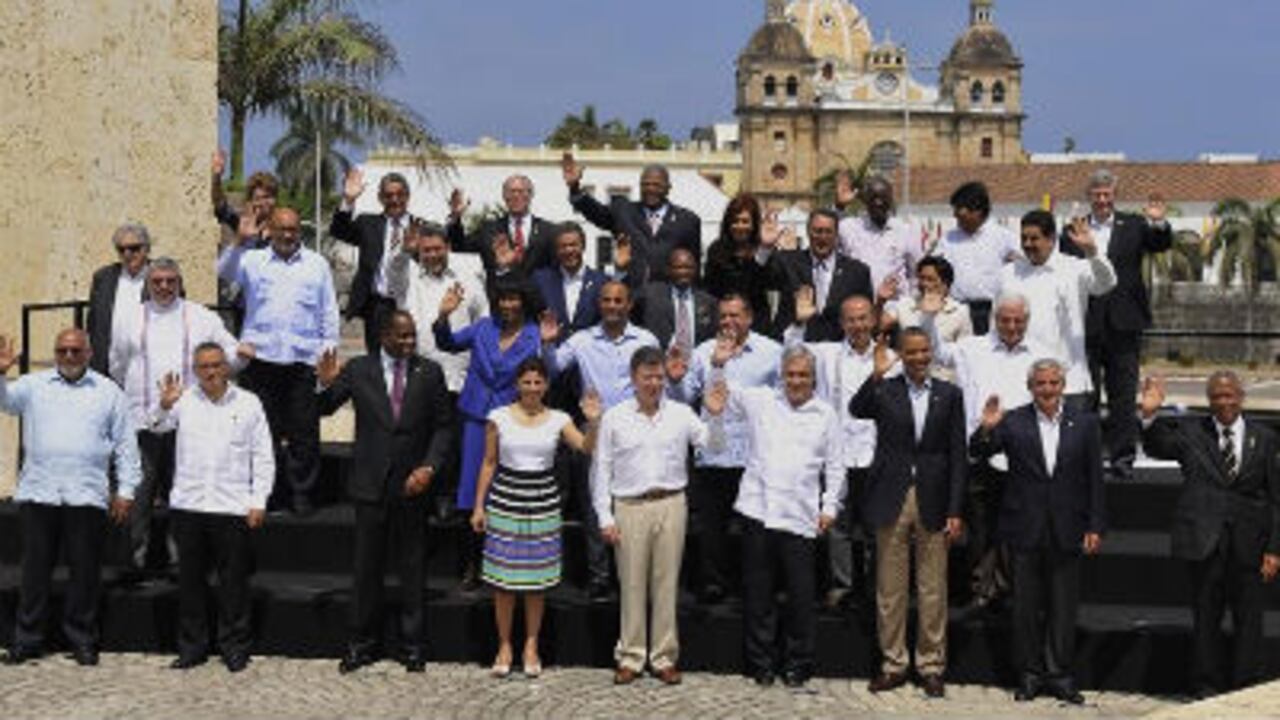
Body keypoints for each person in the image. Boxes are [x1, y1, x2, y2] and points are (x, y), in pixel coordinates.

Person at [315, 311, 455, 674]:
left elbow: (443, 428)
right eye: (402, 337)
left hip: (412, 485)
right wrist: (324, 384)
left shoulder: (430, 372)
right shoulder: (359, 369)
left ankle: (413, 646)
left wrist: (428, 467)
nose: (409, 343)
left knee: (412, 569)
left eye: (412, 336)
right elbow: (323, 408)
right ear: (384, 336)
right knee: (366, 570)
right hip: (369, 484)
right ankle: (361, 645)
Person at [706, 346, 844, 688]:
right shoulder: (761, 401)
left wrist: (830, 507)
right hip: (759, 511)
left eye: (803, 375)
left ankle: (798, 663)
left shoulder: (826, 414)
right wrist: (719, 365)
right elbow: (724, 393)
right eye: (791, 374)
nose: (796, 381)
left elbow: (836, 466)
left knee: (800, 596)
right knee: (759, 595)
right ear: (781, 375)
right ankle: (761, 663)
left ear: (813, 378)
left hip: (800, 516)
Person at [0, 329, 139, 666]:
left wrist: (126, 490)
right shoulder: (34, 385)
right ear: (55, 353)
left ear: (89, 353)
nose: (69, 356)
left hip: (86, 494)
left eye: (76, 351)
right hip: (40, 492)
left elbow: (126, 444)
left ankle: (82, 639)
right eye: (62, 350)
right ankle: (28, 639)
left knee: (84, 573)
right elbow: (4, 401)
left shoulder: (109, 392)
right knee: (34, 573)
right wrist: (1, 372)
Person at [970, 359, 1105, 705]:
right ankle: (1029, 674)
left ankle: (1059, 674)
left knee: (1064, 605)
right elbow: (980, 451)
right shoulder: (1013, 420)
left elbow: (1094, 479)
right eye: (1041, 383)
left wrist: (1095, 524)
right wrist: (985, 429)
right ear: (1030, 387)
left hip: (1068, 526)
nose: (1047, 389)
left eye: (1053, 383)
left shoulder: (1086, 423)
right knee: (1025, 608)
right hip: (1024, 527)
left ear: (1063, 386)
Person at [1139, 372, 1280, 698]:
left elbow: (1275, 499)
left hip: (1250, 544)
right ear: (1209, 399)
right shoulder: (1192, 433)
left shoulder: (1265, 437)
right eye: (1217, 396)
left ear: (1241, 397)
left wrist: (1274, 549)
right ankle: (1206, 688)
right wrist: (1149, 415)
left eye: (1230, 395)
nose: (1224, 402)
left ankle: (1246, 689)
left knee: (1249, 623)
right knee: (1206, 622)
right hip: (1205, 541)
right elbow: (1159, 445)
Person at [592, 346, 723, 686]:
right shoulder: (615, 416)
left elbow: (714, 446)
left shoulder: (680, 413)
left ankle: (664, 656)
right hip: (629, 505)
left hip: (670, 503)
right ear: (633, 379)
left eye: (658, 377)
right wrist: (604, 516)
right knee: (632, 583)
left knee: (667, 584)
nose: (654, 383)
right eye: (647, 377)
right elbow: (601, 469)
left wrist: (716, 416)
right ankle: (631, 656)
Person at [849, 328, 966, 698]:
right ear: (901, 354)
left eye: (924, 351)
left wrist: (955, 508)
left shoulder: (950, 395)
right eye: (911, 352)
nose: (918, 358)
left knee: (933, 588)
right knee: (890, 588)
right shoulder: (886, 389)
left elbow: (957, 456)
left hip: (933, 497)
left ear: (931, 352)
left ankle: (931, 665)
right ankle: (893, 664)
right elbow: (857, 408)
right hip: (891, 496)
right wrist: (877, 373)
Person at [470, 358, 601, 678]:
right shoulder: (497, 417)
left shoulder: (559, 419)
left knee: (535, 583)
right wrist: (478, 506)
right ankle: (504, 645)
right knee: (503, 583)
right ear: (518, 385)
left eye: (537, 382)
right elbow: (488, 462)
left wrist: (594, 422)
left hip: (543, 503)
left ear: (546, 385)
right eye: (526, 382)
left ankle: (531, 645)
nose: (531, 388)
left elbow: (585, 448)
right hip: (504, 501)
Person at [108, 258, 240, 574]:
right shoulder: (128, 317)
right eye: (158, 281)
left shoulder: (201, 316)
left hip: (188, 423)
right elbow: (117, 365)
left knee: (184, 495)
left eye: (171, 280)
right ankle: (132, 563)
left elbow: (230, 354)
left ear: (180, 282)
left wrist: (242, 356)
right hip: (141, 422)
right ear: (148, 285)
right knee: (138, 493)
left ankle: (184, 563)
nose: (164, 287)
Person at [154, 342, 274, 674]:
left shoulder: (249, 404)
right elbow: (157, 426)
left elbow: (263, 455)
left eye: (217, 365)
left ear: (227, 367)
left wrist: (258, 499)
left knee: (234, 583)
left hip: (232, 506)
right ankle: (192, 647)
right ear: (196, 370)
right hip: (189, 505)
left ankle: (234, 647)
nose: (211, 372)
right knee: (190, 582)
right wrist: (164, 406)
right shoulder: (184, 401)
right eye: (204, 366)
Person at [924, 292, 1048, 611]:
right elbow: (935, 352)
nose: (1011, 326)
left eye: (1018, 321)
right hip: (977, 450)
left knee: (1014, 527)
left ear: (1027, 321)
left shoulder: (1040, 353)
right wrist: (929, 317)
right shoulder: (971, 348)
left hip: (1021, 454)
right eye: (1005, 320)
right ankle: (980, 589)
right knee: (980, 526)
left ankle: (1008, 590)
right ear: (994, 319)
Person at [217, 207, 340, 515]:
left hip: (302, 362)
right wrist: (239, 242)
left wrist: (328, 354)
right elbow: (223, 272)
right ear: (269, 229)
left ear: (300, 231)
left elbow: (328, 312)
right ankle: (266, 494)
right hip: (261, 361)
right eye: (281, 228)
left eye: (293, 229)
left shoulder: (317, 265)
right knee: (262, 432)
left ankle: (301, 495)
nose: (287, 235)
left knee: (304, 434)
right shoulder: (252, 259)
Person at [542, 280, 659, 598]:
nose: (611, 306)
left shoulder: (646, 339)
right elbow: (552, 370)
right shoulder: (582, 340)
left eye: (618, 300)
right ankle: (599, 576)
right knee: (594, 504)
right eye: (606, 300)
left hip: (636, 428)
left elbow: (656, 382)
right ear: (599, 304)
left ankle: (631, 575)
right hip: (594, 427)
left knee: (632, 502)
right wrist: (548, 345)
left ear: (629, 304)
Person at [666, 294, 781, 604]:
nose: (728, 322)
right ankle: (714, 584)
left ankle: (753, 586)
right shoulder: (704, 352)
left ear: (749, 318)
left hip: (754, 454)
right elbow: (683, 398)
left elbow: (783, 400)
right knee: (712, 528)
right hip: (714, 452)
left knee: (753, 529)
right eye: (724, 317)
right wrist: (675, 380)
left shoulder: (771, 352)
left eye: (735, 316)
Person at [1061, 170, 1172, 480]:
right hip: (1086, 323)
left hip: (1125, 321)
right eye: (1096, 194)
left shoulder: (1135, 224)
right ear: (1089, 197)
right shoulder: (1074, 229)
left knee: (1123, 395)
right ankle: (1088, 458)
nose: (1102, 200)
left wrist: (1158, 222)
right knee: (1087, 395)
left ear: (1114, 195)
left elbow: (1160, 244)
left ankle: (1122, 457)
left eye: (1107, 194)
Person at [434, 276, 543, 591]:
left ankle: (505, 563)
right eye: (503, 299)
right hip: (476, 416)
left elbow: (545, 372)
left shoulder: (535, 333)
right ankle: (473, 562)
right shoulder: (483, 327)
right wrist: (443, 316)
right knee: (471, 491)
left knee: (505, 492)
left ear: (523, 301)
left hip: (513, 419)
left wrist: (547, 346)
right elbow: (447, 343)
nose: (508, 305)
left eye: (514, 298)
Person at [785, 295, 889, 612]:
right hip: (838, 453)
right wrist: (801, 322)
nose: (857, 325)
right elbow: (791, 353)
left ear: (872, 320)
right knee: (839, 527)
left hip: (875, 453)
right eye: (850, 320)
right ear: (841, 323)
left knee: (875, 527)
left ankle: (875, 589)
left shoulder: (890, 357)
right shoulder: (828, 353)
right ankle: (842, 586)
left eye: (862, 319)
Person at [998, 210, 1115, 411]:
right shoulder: (1008, 274)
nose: (1027, 244)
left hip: (1069, 382)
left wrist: (1092, 252)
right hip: (1020, 380)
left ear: (1051, 239)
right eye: (1024, 238)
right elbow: (998, 324)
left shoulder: (1074, 268)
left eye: (1034, 238)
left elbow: (1107, 283)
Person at [563, 152, 702, 286]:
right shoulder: (623, 211)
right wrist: (574, 188)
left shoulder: (688, 221)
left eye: (656, 185)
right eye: (645, 184)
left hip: (669, 299)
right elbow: (596, 212)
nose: (650, 189)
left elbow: (694, 267)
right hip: (631, 297)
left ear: (668, 188)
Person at [387, 220, 489, 394]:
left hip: (460, 380)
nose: (433, 255)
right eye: (426, 250)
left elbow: (483, 323)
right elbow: (395, 269)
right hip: (417, 379)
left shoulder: (469, 280)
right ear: (418, 251)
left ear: (448, 247)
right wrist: (404, 250)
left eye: (437, 249)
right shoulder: (407, 281)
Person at [330, 169, 419, 354]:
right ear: (380, 198)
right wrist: (348, 200)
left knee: (409, 356)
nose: (394, 200)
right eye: (388, 195)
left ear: (407, 196)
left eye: (399, 195)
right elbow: (339, 230)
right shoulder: (367, 223)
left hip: (410, 303)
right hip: (377, 307)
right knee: (377, 360)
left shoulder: (420, 227)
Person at [763, 209, 874, 341]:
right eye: (818, 231)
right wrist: (765, 248)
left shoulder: (857, 271)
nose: (822, 237)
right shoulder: (788, 263)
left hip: (837, 348)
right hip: (794, 346)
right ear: (808, 232)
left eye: (828, 232)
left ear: (836, 235)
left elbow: (866, 314)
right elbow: (761, 280)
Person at [933, 181, 1021, 335]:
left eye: (959, 209)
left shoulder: (1002, 236)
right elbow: (933, 268)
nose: (954, 214)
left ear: (977, 210)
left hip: (991, 312)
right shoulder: (947, 239)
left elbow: (1024, 262)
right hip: (957, 311)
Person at [447, 175, 557, 279]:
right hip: (500, 295)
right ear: (504, 197)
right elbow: (458, 245)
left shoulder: (548, 231)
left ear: (530, 195)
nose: (516, 196)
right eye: (511, 192)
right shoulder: (488, 230)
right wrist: (455, 218)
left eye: (521, 191)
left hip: (539, 296)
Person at [835, 175, 920, 306]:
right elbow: (825, 235)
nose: (878, 202)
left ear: (891, 200)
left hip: (894, 312)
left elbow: (916, 273)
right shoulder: (849, 227)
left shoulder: (905, 230)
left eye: (883, 198)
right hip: (859, 311)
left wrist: (910, 306)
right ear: (865, 200)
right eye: (873, 198)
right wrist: (839, 207)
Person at [883, 256, 972, 379]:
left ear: (945, 284)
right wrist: (880, 302)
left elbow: (965, 355)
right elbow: (877, 327)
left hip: (944, 382)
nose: (924, 284)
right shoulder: (905, 304)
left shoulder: (960, 311)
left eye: (930, 279)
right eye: (921, 278)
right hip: (908, 380)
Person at [703, 195, 778, 333]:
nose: (740, 226)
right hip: (725, 323)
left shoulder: (765, 250)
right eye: (735, 221)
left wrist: (764, 251)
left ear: (754, 224)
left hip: (757, 323)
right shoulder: (717, 250)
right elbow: (711, 290)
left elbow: (770, 283)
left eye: (745, 221)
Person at [87, 222, 152, 377]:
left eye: (134, 248)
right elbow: (93, 322)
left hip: (146, 366)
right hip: (108, 368)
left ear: (147, 248)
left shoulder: (162, 276)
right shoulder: (103, 278)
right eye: (121, 249)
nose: (128, 254)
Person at [530, 222, 610, 339]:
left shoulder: (601, 282)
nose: (568, 250)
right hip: (552, 351)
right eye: (563, 246)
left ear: (583, 246)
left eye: (573, 245)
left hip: (590, 352)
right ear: (556, 250)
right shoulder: (541, 280)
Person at [632, 248, 718, 354]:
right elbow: (626, 301)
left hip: (696, 365)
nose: (684, 272)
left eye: (688, 267)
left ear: (695, 270)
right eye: (678, 267)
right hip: (660, 363)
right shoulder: (651, 295)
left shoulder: (708, 302)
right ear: (668, 270)